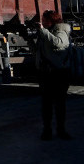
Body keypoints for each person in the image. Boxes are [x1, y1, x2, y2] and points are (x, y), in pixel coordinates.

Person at [36, 9, 72, 140]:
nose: (43, 22)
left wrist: (43, 32)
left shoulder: (61, 30)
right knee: (46, 105)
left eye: (45, 20)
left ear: (52, 20)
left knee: (59, 104)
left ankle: (61, 130)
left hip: (59, 73)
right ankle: (47, 130)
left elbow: (59, 43)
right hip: (46, 73)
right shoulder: (46, 32)